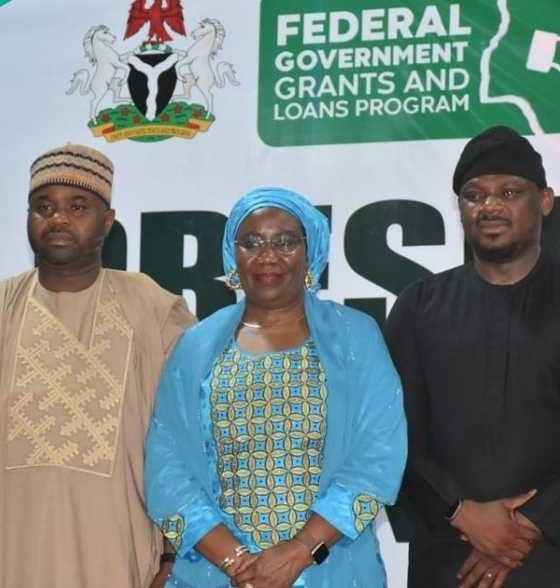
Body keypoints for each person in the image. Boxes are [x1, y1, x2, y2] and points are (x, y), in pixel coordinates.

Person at [145, 187, 407, 587]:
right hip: (217, 574)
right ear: (233, 256)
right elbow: (166, 468)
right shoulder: (195, 347)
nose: (268, 255)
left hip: (331, 570)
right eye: (252, 243)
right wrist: (238, 564)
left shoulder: (355, 336)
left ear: (309, 252)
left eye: (285, 242)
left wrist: (300, 552)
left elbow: (377, 457)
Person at [0, 144, 196, 588]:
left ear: (107, 221)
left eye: (77, 207)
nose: (58, 219)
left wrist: (173, 555)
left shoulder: (152, 308)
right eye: (43, 207)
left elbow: (191, 439)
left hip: (117, 555)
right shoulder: (5, 307)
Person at [385, 126, 560, 587]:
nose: (490, 206)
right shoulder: (419, 307)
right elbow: (393, 433)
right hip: (449, 558)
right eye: (474, 195)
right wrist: (461, 512)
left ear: (545, 201)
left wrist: (528, 525)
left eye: (510, 192)